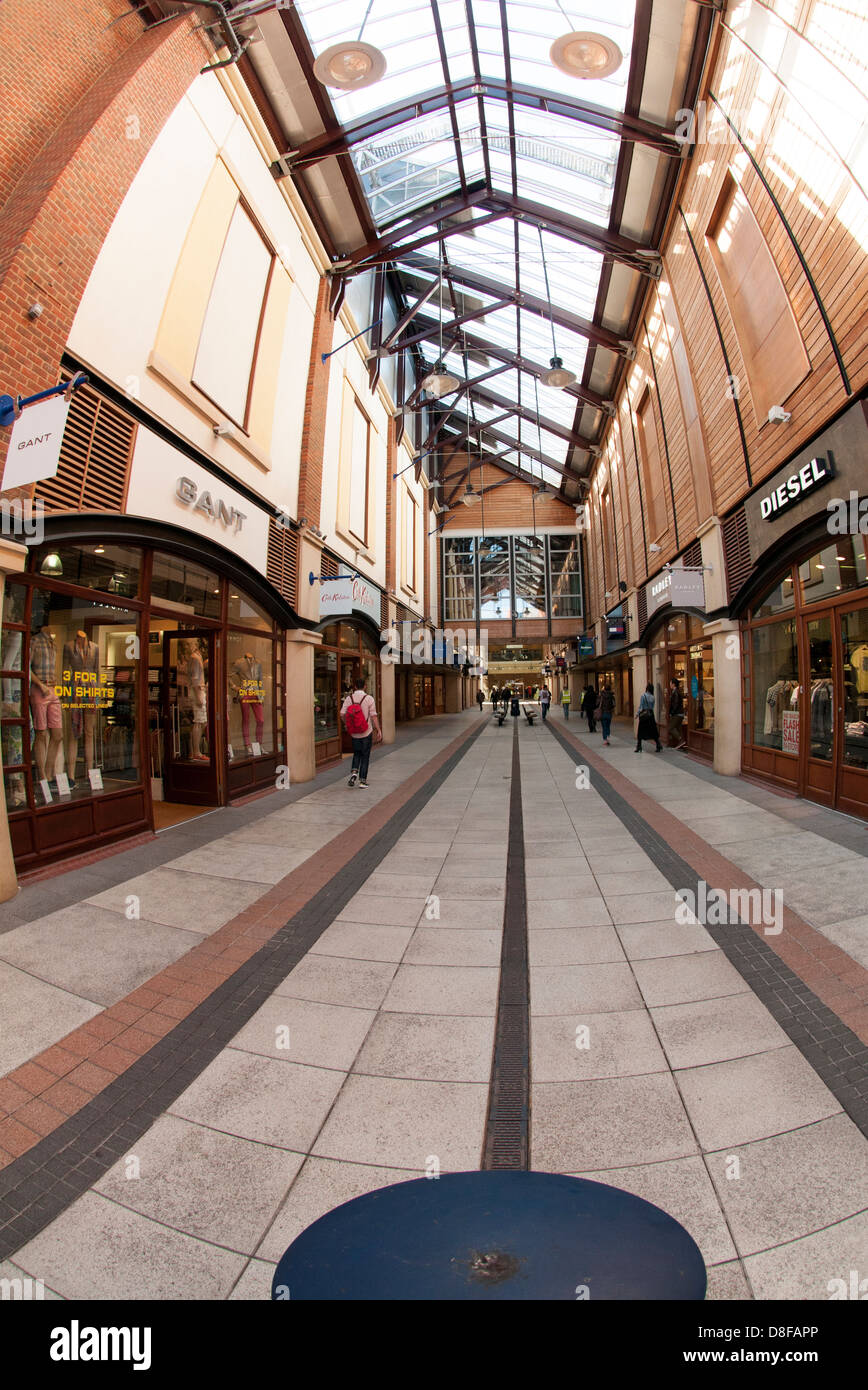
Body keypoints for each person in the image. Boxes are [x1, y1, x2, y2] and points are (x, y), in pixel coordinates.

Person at [341, 673, 382, 788]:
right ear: (365, 686)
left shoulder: (349, 699)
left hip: (354, 733)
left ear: (354, 687)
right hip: (366, 732)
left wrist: (347, 723)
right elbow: (374, 715)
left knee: (357, 754)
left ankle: (354, 773)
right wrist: (378, 729)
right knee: (365, 756)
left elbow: (342, 713)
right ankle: (362, 781)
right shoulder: (369, 699)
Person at [635, 682, 662, 752]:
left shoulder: (643, 696)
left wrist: (637, 714)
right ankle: (658, 745)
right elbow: (652, 707)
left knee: (640, 731)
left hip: (644, 715)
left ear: (646, 688)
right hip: (650, 715)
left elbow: (641, 707)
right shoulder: (653, 697)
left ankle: (639, 746)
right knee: (653, 730)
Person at [668, 678, 686, 748]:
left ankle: (680, 740)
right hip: (680, 713)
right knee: (679, 729)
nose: (670, 685)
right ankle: (682, 744)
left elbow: (675, 704)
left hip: (677, 714)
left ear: (673, 684)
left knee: (671, 728)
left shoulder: (675, 692)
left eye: (670, 683)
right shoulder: (677, 691)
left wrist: (671, 713)